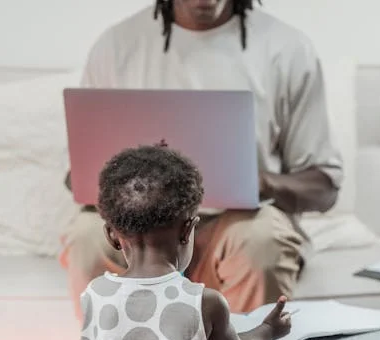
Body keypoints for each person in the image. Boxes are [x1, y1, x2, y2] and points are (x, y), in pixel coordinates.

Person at [60, 0, 343, 319]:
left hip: (235, 225)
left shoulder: (288, 48)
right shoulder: (116, 46)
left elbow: (324, 187)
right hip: (139, 232)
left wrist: (256, 181)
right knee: (87, 235)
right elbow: (77, 178)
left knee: (262, 239)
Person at [67, 145, 291, 340]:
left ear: (112, 237)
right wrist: (270, 329)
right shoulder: (202, 302)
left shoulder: (95, 295)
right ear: (189, 230)